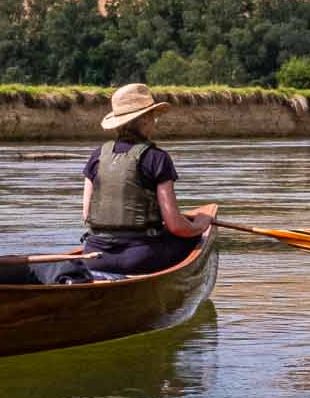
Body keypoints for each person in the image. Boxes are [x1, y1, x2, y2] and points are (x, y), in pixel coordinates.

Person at [79, 82, 217, 277]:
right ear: (143, 120)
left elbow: (86, 214)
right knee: (194, 240)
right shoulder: (157, 158)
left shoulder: (97, 156)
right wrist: (200, 225)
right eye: (153, 116)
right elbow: (175, 226)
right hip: (140, 258)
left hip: (94, 256)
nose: (155, 122)